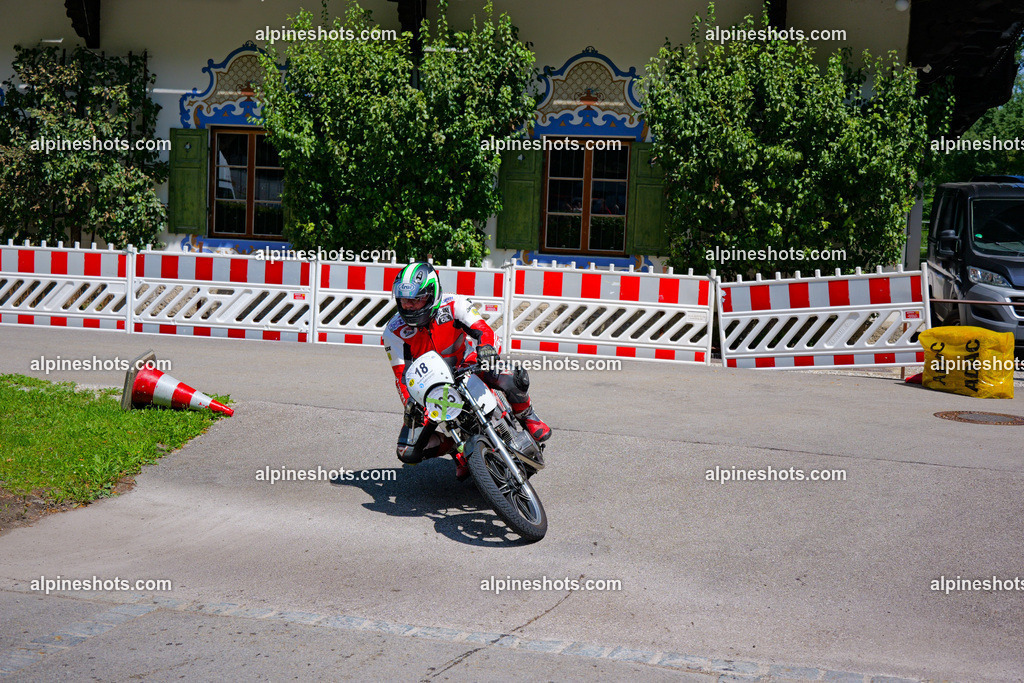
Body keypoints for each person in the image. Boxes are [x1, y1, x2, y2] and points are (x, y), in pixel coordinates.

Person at [382, 262, 551, 479]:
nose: (408, 306)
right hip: (431, 386)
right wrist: (410, 403)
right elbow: (402, 376)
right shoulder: (393, 331)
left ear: (432, 294)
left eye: (415, 300)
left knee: (512, 377)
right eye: (404, 300)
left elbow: (484, 331)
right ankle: (456, 447)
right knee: (407, 450)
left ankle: (528, 416)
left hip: (466, 363)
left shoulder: (454, 304)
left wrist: (487, 349)